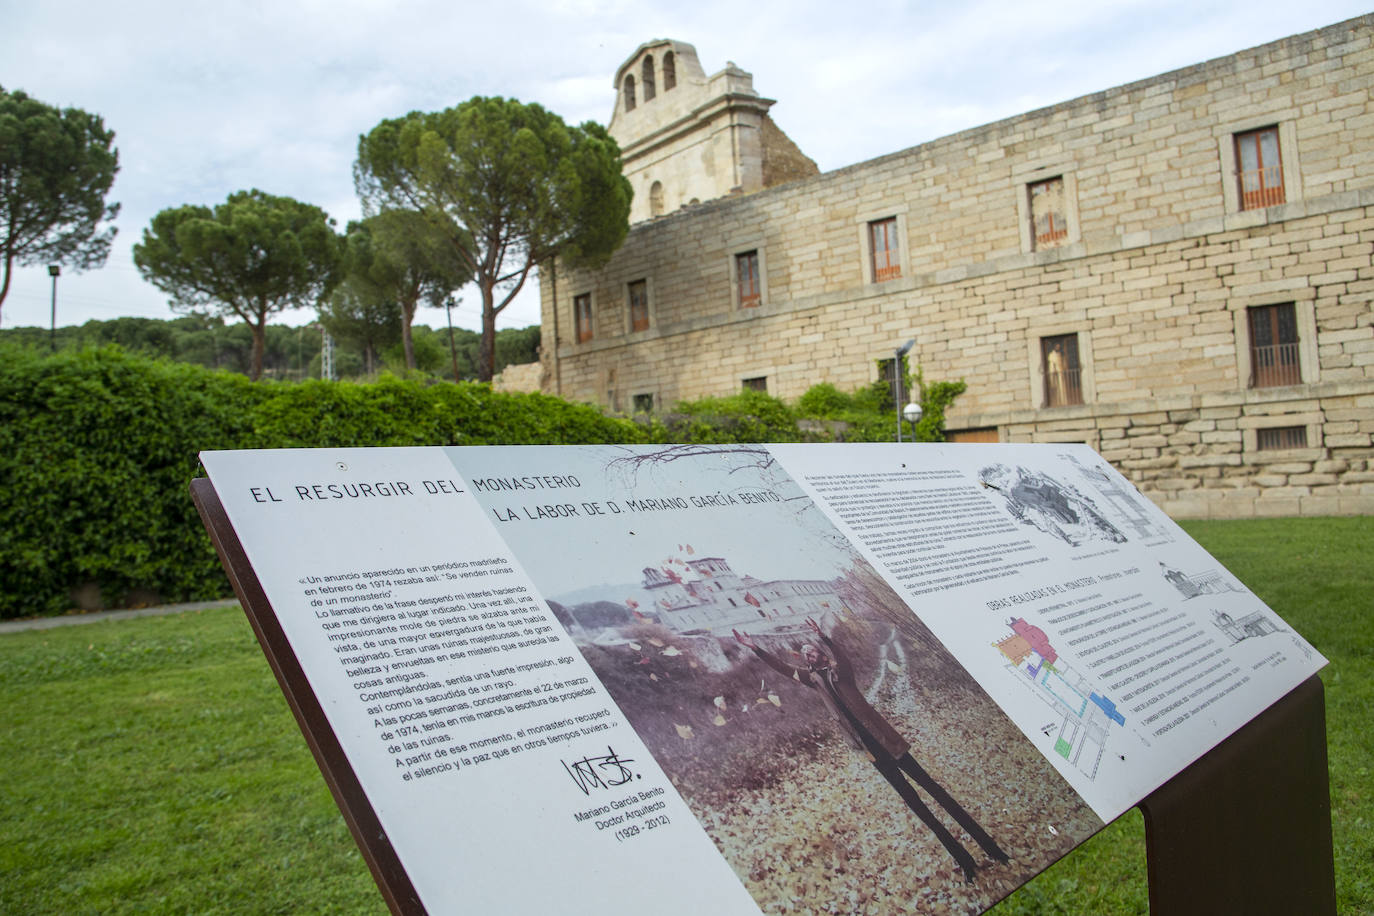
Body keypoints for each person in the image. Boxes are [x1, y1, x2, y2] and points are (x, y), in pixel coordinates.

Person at [733, 617, 1009, 882]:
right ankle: (965, 862)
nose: (809, 655)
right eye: (805, 654)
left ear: (822, 654)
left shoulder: (842, 674)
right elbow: (783, 668)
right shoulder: (813, 680)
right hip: (873, 753)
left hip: (890, 743)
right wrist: (756, 648)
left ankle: (991, 849)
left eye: (813, 651)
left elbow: (841, 658)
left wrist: (824, 637)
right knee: (918, 806)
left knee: (936, 792)